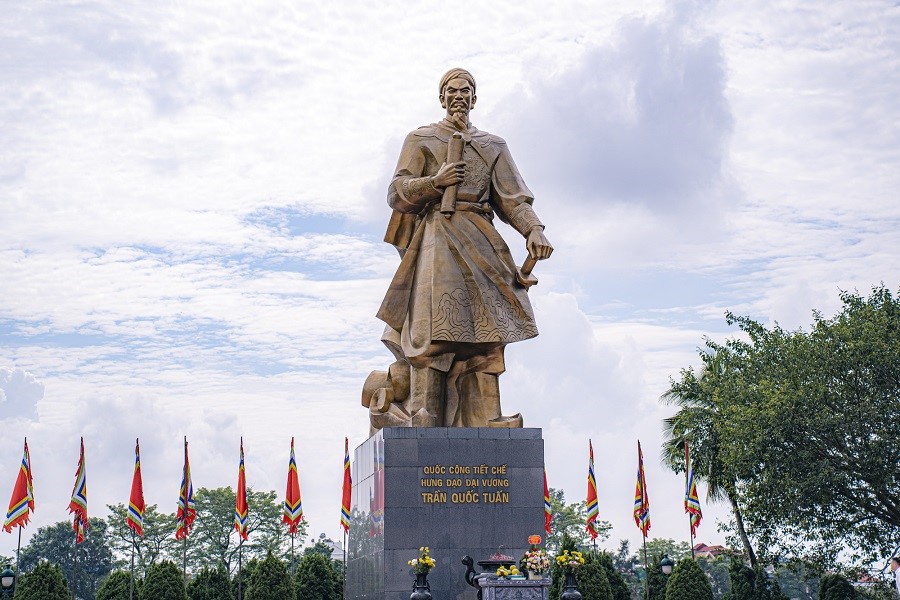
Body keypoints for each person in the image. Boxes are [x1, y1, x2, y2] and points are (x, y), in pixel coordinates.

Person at [375, 68, 553, 428]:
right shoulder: (421, 139)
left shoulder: (493, 146)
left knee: (489, 334)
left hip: (482, 240)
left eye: (466, 90)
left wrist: (533, 229)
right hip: (437, 238)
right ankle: (423, 411)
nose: (458, 96)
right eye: (451, 91)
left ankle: (486, 416)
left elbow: (514, 200)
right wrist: (435, 181)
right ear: (441, 98)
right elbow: (397, 192)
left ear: (474, 98)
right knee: (433, 330)